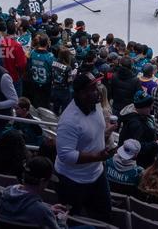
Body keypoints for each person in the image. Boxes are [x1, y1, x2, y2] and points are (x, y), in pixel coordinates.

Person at [54, 72, 115, 222]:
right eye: (93, 88)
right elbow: (66, 155)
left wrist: (106, 133)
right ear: (82, 93)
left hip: (97, 174)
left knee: (104, 216)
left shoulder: (95, 104)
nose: (98, 90)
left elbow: (92, 132)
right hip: (73, 181)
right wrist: (97, 157)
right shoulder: (69, 121)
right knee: (70, 220)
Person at [0, 157, 67, 229]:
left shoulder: (4, 194)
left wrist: (49, 209)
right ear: (42, 181)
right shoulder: (43, 211)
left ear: (24, 175)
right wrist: (62, 221)